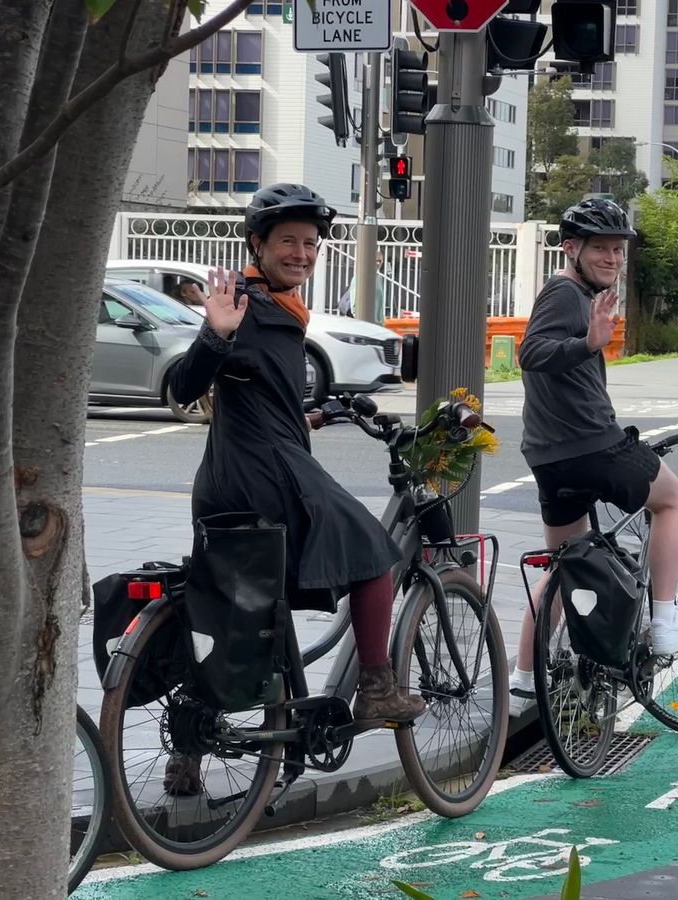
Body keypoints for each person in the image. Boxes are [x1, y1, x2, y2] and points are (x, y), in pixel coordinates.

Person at [165, 183, 424, 793]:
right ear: (257, 243)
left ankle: (188, 753)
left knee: (237, 615)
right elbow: (183, 386)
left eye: (310, 243)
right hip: (268, 476)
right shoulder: (245, 304)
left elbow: (247, 384)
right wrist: (215, 333)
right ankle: (378, 687)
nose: (302, 253)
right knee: (374, 554)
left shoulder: (280, 309)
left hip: (230, 477)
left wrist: (303, 413)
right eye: (288, 241)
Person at [506, 198, 678, 716]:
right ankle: (663, 619)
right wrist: (588, 342)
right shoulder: (565, 293)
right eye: (601, 249)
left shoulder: (576, 292)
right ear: (571, 248)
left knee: (564, 565)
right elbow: (530, 353)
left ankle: (523, 678)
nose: (613, 258)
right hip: (592, 444)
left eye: (618, 250)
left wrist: (587, 343)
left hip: (550, 457)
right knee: (672, 500)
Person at [345, 249, 386, 322]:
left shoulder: (379, 279)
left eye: (380, 261)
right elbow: (354, 301)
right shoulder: (358, 278)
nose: (378, 263)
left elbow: (380, 304)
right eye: (376, 260)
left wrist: (381, 321)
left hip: (376, 322)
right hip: (362, 321)